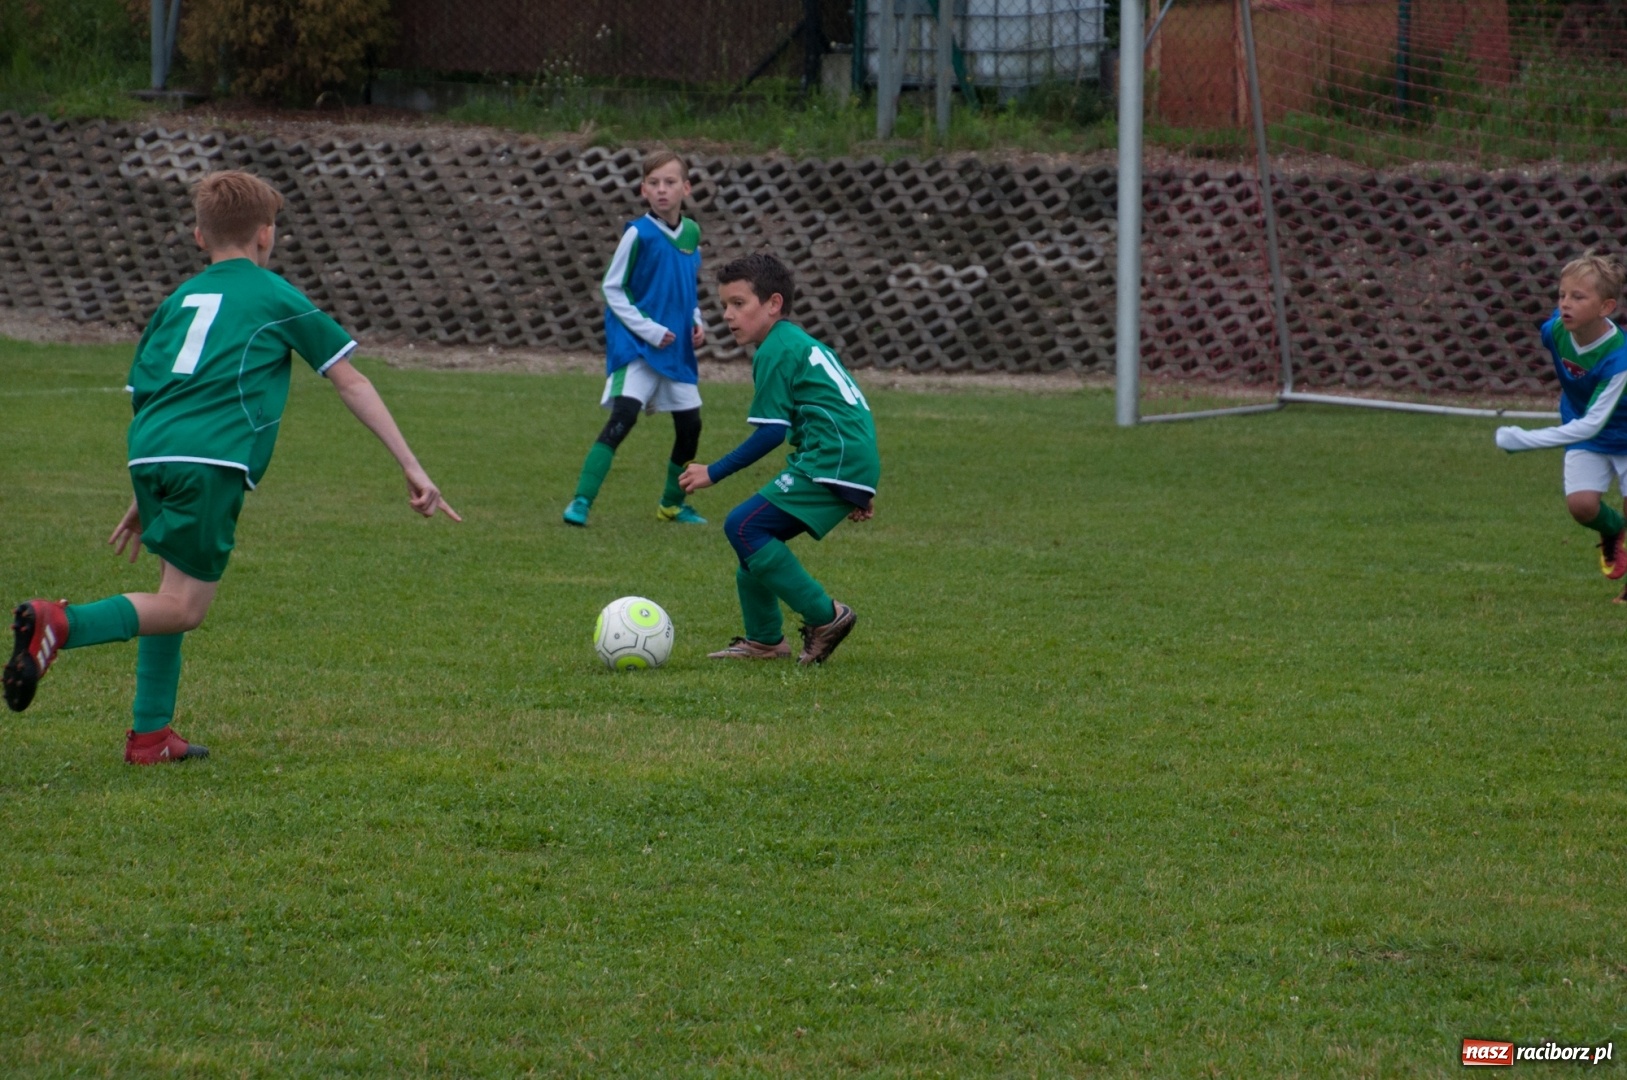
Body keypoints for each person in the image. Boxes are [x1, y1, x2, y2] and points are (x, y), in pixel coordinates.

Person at [3, 169, 459, 763]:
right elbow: (350, 380)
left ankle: (150, 738)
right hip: (211, 459)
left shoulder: (176, 302)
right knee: (183, 609)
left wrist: (146, 494)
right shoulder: (274, 295)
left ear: (199, 235)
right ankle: (59, 625)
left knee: (170, 585)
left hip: (152, 450)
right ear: (266, 235)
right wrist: (412, 466)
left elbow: (150, 391)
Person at [679, 253, 879, 665]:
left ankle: (826, 616)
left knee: (743, 525)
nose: (728, 315)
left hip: (831, 458)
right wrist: (860, 484)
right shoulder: (797, 342)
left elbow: (772, 432)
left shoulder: (774, 350)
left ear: (772, 304)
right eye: (724, 305)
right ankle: (765, 641)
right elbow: (847, 409)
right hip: (844, 458)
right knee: (753, 540)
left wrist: (713, 471)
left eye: (738, 303)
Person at [563, 151, 707, 527]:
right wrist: (650, 330)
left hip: (676, 351)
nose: (662, 190)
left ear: (686, 188)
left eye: (670, 182)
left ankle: (672, 505)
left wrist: (696, 320)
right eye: (654, 183)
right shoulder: (637, 234)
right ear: (644, 190)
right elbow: (613, 289)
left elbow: (686, 287)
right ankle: (581, 501)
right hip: (640, 348)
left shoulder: (691, 234)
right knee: (623, 417)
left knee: (691, 427)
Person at [1496, 250, 1627, 597]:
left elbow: (1591, 426)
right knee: (1582, 507)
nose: (1566, 304)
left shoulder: (1619, 359)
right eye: (1562, 295)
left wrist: (1522, 439)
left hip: (1615, 432)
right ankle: (1614, 530)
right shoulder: (1554, 330)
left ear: (1606, 307)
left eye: (1578, 297)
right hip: (1584, 424)